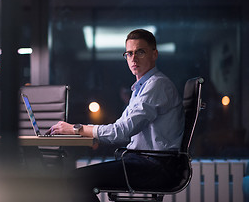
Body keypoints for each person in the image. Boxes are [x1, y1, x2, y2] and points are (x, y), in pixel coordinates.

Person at [46, 29, 185, 202]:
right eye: (129, 53)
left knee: (74, 181)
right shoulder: (141, 87)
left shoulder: (156, 85)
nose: (133, 59)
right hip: (146, 162)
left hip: (154, 166)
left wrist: (76, 129)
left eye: (140, 52)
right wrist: (87, 132)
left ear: (154, 54)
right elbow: (120, 128)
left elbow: (120, 132)